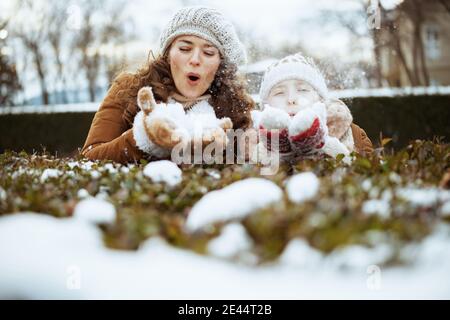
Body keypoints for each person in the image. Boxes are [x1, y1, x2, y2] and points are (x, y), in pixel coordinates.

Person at [81, 6, 254, 164]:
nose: (195, 60)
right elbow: (88, 159)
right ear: (168, 54)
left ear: (220, 65)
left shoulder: (235, 109)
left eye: (208, 53)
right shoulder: (129, 89)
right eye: (185, 49)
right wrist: (144, 138)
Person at [251, 53, 373, 164]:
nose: (291, 99)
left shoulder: (354, 135)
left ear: (320, 100)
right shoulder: (252, 142)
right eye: (279, 93)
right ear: (266, 105)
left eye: (303, 90)